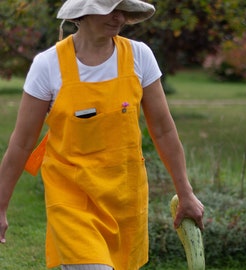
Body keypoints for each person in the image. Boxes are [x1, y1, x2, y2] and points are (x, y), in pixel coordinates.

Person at [0, 0, 204, 269]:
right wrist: (1, 205)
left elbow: (164, 130)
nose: (119, 16)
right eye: (109, 7)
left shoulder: (139, 56)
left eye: (123, 9)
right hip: (72, 199)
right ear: (82, 13)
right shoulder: (48, 65)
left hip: (125, 199)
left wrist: (185, 193)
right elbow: (22, 142)